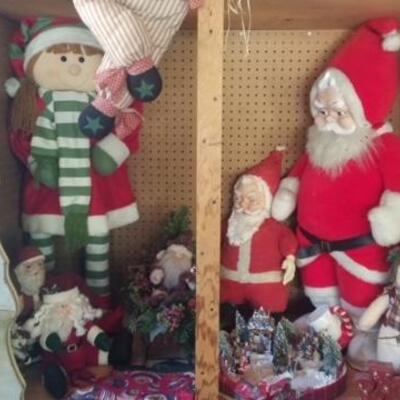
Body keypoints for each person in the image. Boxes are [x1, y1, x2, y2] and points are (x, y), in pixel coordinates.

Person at [272, 18, 400, 317]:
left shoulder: (385, 146)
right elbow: (300, 172)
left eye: (339, 111)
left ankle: (357, 336)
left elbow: (397, 185)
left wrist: (393, 215)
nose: (328, 118)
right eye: (321, 110)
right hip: (311, 243)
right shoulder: (319, 140)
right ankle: (325, 332)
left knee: (360, 304)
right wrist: (288, 192)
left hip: (359, 248)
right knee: (321, 305)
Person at [221, 148, 298, 313]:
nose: (243, 205)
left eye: (252, 199)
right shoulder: (229, 224)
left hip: (265, 287)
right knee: (226, 312)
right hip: (229, 285)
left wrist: (290, 258)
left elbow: (287, 239)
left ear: (267, 200)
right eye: (239, 198)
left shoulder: (274, 228)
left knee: (270, 310)